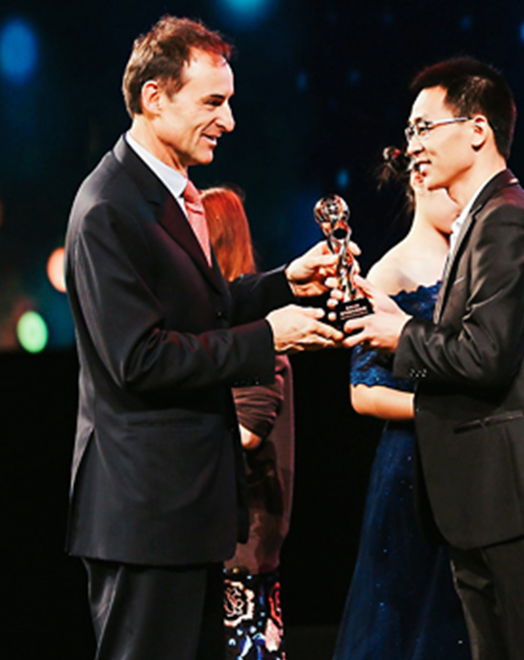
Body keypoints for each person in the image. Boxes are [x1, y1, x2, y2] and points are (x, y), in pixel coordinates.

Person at [64, 16, 342, 660]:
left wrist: (285, 283)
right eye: (213, 102)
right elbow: (141, 358)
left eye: (230, 102)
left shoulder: (166, 194)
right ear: (155, 98)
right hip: (145, 514)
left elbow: (202, 311)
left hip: (182, 511)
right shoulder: (108, 208)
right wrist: (267, 337)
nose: (229, 121)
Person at [342, 56, 524, 660]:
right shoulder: (483, 220)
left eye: (424, 128)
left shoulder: (508, 219)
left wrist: (400, 333)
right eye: (409, 131)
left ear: (478, 130)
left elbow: (486, 355)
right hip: (488, 507)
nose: (412, 146)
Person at [333, 149, 470, 660]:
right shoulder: (389, 272)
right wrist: (440, 413)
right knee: (406, 615)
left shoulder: (475, 261)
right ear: (419, 180)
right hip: (412, 466)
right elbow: (363, 393)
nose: (459, 199)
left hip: (469, 459)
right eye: (449, 188)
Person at [200, 185, 294, 660]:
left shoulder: (255, 334)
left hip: (244, 542)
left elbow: (249, 431)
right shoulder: (223, 332)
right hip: (217, 537)